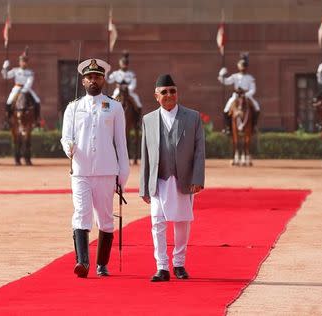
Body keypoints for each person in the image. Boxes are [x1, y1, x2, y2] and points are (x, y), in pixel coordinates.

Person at [61, 58, 130, 278]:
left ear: (103, 79)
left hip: (106, 170)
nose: (93, 80)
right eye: (90, 77)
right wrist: (68, 147)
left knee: (105, 217)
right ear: (83, 81)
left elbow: (121, 143)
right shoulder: (73, 108)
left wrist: (123, 174)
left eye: (97, 77)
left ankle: (102, 263)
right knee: (81, 213)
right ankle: (82, 262)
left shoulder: (115, 107)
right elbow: (66, 137)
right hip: (81, 170)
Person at [139, 74, 205, 282]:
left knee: (182, 222)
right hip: (159, 180)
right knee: (157, 222)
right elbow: (145, 154)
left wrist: (198, 178)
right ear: (156, 96)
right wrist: (144, 186)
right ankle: (162, 267)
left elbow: (199, 151)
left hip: (184, 179)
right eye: (164, 92)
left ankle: (179, 264)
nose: (169, 95)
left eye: (173, 91)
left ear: (177, 93)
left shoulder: (192, 117)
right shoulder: (148, 120)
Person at [218, 53, 260, 134]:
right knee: (226, 109)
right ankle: (228, 128)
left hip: (246, 96)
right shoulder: (235, 76)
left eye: (244, 66)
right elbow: (226, 82)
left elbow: (253, 90)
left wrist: (246, 94)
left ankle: (254, 126)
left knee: (257, 108)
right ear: (238, 66)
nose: (243, 68)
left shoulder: (250, 78)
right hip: (236, 96)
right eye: (241, 65)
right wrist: (221, 75)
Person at [2, 47, 41, 128]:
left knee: (37, 100)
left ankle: (37, 120)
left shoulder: (30, 72)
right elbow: (6, 76)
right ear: (19, 62)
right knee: (9, 101)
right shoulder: (15, 70)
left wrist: (25, 90)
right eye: (22, 61)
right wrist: (5, 67)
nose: (24, 63)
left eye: (25, 62)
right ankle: (7, 119)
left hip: (27, 89)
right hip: (17, 88)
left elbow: (30, 81)